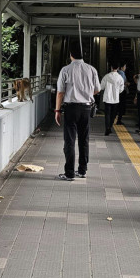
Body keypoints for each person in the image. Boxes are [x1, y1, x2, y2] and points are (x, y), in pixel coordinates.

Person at [55, 39, 100, 181]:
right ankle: (82, 170)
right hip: (86, 108)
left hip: (71, 109)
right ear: (83, 54)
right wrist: (85, 94)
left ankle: (69, 173)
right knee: (84, 140)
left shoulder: (65, 70)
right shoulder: (91, 69)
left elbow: (60, 93)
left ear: (71, 54)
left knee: (70, 141)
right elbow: (97, 89)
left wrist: (57, 111)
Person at [100, 61, 125, 136]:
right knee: (113, 114)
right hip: (115, 99)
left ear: (111, 67)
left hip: (107, 98)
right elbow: (121, 89)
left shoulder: (106, 76)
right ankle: (110, 127)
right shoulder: (120, 77)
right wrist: (117, 92)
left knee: (107, 114)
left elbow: (102, 87)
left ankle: (107, 128)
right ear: (117, 68)